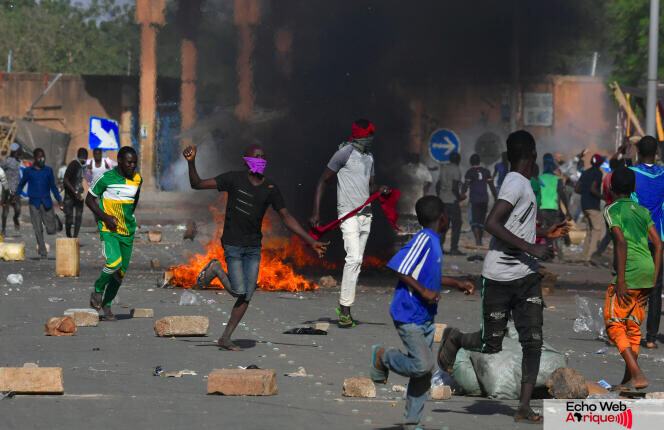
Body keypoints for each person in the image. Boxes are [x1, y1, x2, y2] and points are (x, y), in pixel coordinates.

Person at [437, 130, 569, 423]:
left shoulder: (521, 183)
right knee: (490, 344)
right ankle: (457, 338)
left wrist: (545, 233)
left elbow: (515, 226)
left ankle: (523, 406)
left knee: (532, 341)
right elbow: (491, 223)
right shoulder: (515, 182)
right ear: (532, 155)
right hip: (498, 277)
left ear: (509, 156)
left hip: (526, 278)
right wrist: (532, 247)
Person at [183, 143, 329, 349]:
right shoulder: (233, 179)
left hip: (253, 247)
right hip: (233, 243)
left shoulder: (270, 188)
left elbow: (286, 216)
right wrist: (191, 163)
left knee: (247, 294)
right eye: (256, 156)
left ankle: (225, 337)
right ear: (245, 160)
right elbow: (197, 184)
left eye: (263, 156)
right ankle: (215, 267)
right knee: (238, 290)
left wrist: (311, 241)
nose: (260, 160)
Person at [370, 195, 474, 429]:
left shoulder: (433, 241)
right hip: (408, 315)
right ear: (443, 219)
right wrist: (424, 291)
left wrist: (456, 282)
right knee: (422, 366)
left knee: (423, 375)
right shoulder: (424, 239)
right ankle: (383, 358)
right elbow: (399, 267)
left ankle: (412, 422)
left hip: (425, 317)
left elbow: (430, 277)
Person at [310, 119, 389, 328]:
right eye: (369, 135)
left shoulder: (369, 157)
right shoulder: (343, 153)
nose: (372, 139)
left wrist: (381, 189)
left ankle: (346, 307)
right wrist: (315, 212)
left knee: (357, 261)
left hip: (366, 215)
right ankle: (344, 309)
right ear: (361, 136)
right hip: (348, 214)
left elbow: (370, 188)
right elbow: (323, 181)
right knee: (353, 259)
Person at [603, 166, 661, 389]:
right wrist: (653, 281)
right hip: (647, 272)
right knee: (633, 325)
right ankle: (628, 380)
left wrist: (620, 280)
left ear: (611, 187)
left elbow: (621, 241)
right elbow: (658, 244)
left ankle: (637, 374)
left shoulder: (612, 209)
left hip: (630, 272)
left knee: (614, 323)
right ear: (635, 188)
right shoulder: (642, 211)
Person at [86, 146, 142, 321]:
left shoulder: (137, 179)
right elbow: (89, 199)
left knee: (120, 274)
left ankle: (107, 304)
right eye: (129, 162)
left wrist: (128, 216)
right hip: (109, 230)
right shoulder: (105, 178)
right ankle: (97, 289)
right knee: (114, 262)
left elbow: (134, 199)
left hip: (128, 232)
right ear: (119, 161)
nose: (132, 165)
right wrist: (106, 217)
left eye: (135, 162)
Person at [630, 135, 664, 349]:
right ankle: (651, 337)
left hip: (638, 236)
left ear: (639, 153)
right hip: (659, 235)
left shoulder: (631, 174)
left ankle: (630, 331)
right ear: (657, 153)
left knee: (634, 282)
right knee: (656, 285)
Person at [16, 148, 62, 258]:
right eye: (39, 157)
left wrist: (60, 200)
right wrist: (16, 195)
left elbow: (53, 187)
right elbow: (21, 184)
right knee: (37, 228)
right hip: (33, 203)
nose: (42, 159)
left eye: (43, 156)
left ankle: (55, 221)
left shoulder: (48, 170)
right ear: (35, 158)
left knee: (51, 230)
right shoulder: (28, 171)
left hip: (46, 202)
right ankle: (43, 252)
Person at [575, 154, 604, 265]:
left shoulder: (585, 172)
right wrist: (603, 197)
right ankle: (590, 257)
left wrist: (585, 193)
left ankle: (584, 256)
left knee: (589, 231)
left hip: (585, 205)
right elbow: (593, 188)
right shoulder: (598, 173)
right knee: (597, 230)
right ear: (600, 163)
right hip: (593, 205)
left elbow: (577, 188)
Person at [539, 153, 569, 261]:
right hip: (553, 208)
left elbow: (537, 194)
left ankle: (549, 256)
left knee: (546, 232)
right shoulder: (557, 180)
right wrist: (567, 210)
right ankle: (560, 256)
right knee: (556, 231)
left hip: (542, 209)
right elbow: (562, 195)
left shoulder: (539, 178)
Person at [463, 153, 497, 246]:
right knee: (481, 221)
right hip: (484, 199)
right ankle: (480, 241)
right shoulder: (486, 171)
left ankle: (478, 241)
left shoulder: (470, 172)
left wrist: (462, 192)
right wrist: (496, 197)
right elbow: (491, 185)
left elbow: (466, 185)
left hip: (474, 200)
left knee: (474, 221)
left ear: (470, 162)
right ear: (479, 161)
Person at [437, 151, 465, 255]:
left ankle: (440, 247)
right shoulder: (456, 169)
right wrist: (459, 197)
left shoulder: (443, 168)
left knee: (444, 224)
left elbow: (438, 185)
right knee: (457, 224)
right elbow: (454, 187)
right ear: (458, 160)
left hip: (443, 200)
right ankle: (454, 248)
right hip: (452, 201)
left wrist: (439, 197)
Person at [63, 148, 88, 238]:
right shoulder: (74, 164)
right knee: (69, 218)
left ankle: (75, 237)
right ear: (82, 157)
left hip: (79, 195)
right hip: (70, 195)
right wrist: (75, 191)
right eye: (85, 157)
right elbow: (65, 180)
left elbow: (85, 180)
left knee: (78, 216)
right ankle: (69, 236)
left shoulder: (83, 166)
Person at [0, 143, 23, 236]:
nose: (21, 151)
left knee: (18, 210)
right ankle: (3, 229)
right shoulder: (7, 161)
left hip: (16, 191)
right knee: (5, 212)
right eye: (19, 150)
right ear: (16, 151)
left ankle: (15, 219)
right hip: (7, 191)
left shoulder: (18, 161)